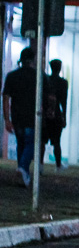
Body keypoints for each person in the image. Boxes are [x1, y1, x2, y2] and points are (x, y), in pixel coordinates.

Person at [3, 47, 45, 187]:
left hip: (17, 117)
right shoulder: (39, 76)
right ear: (33, 59)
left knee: (21, 144)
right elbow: (49, 97)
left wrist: (7, 119)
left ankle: (24, 174)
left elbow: (6, 98)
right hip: (33, 117)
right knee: (31, 144)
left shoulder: (12, 76)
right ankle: (22, 168)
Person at [43, 59, 69, 169]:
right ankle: (58, 165)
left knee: (42, 141)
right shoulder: (63, 82)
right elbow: (64, 101)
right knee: (57, 141)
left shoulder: (46, 80)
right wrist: (64, 117)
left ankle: (40, 165)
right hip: (57, 114)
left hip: (45, 114)